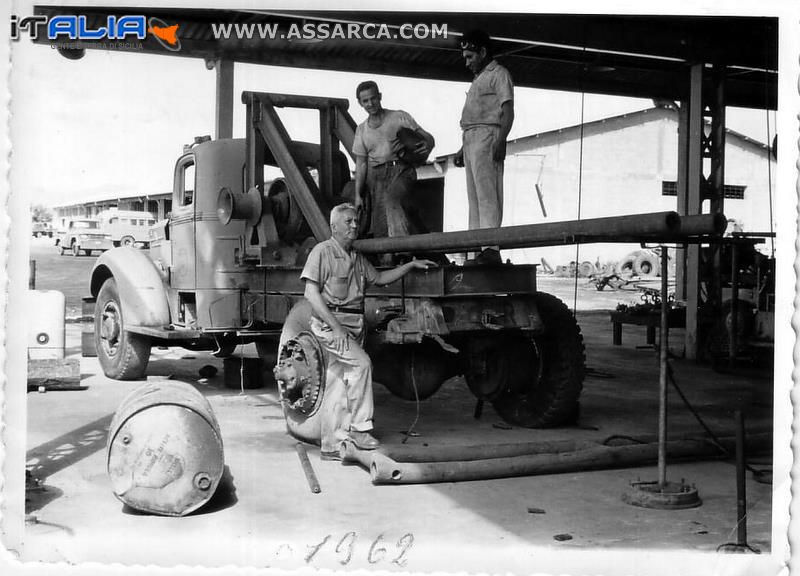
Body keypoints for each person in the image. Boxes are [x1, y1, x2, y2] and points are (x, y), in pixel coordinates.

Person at [301, 203, 437, 458]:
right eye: (349, 222)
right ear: (334, 226)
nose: (355, 226)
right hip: (331, 326)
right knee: (362, 365)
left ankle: (331, 445)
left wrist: (410, 266)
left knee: (337, 382)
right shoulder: (322, 252)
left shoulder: (356, 257)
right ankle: (360, 429)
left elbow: (381, 279)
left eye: (355, 221)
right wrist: (336, 327)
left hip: (354, 325)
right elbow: (311, 293)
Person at [454, 29, 515, 265]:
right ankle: (476, 248)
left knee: (487, 196)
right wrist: (462, 149)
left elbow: (507, 111)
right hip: (470, 138)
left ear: (483, 52)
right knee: (474, 198)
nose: (467, 62)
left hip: (488, 136)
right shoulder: (479, 78)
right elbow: (472, 118)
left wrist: (501, 141)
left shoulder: (499, 74)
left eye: (470, 56)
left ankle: (490, 249)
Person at [352, 80, 435, 242]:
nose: (370, 103)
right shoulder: (361, 130)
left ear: (380, 96)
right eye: (365, 101)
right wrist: (357, 195)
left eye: (373, 98)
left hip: (401, 170)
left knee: (393, 200)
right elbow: (361, 164)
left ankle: (402, 250)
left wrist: (428, 147)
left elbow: (428, 138)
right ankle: (388, 261)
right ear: (360, 103)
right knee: (380, 220)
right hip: (376, 177)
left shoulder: (398, 117)